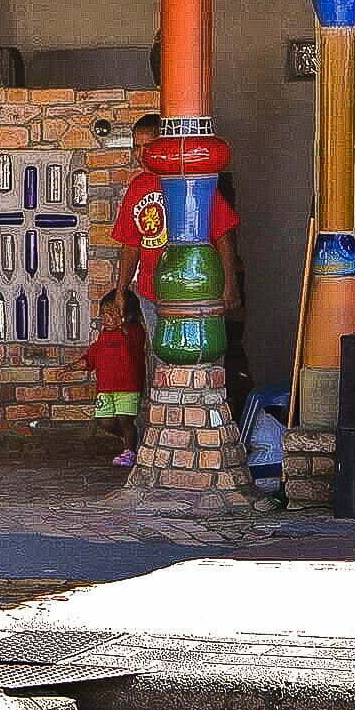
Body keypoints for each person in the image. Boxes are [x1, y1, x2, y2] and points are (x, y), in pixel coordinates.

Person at [108, 113, 242, 356]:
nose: (141, 154)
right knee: (163, 357)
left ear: (162, 147)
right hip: (150, 291)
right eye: (136, 147)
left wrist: (230, 283)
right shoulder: (137, 187)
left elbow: (224, 234)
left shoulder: (190, 180)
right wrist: (121, 290)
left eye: (148, 147)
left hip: (194, 289)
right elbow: (131, 245)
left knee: (200, 354)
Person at [84, 287, 146, 466]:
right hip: (106, 387)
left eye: (111, 313)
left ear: (126, 314)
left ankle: (129, 452)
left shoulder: (133, 331)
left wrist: (123, 322)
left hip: (128, 386)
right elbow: (94, 354)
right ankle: (132, 439)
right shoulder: (104, 334)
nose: (105, 318)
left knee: (125, 420)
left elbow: (131, 337)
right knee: (105, 422)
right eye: (103, 314)